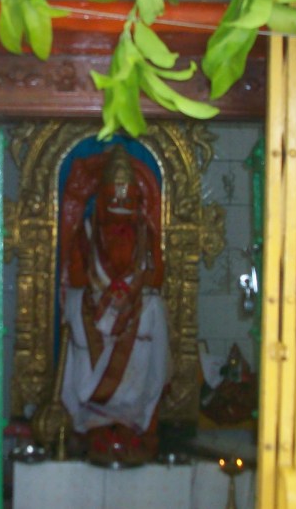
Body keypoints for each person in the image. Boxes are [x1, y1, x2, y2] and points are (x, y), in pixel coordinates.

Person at [59, 144, 170, 466]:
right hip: (94, 303)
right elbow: (76, 276)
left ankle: (138, 419)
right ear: (101, 199)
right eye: (113, 199)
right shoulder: (87, 232)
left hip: (136, 305)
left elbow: (155, 277)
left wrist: (129, 293)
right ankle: (87, 419)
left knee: (153, 311)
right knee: (78, 311)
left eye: (126, 200)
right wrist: (106, 294)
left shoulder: (145, 235)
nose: (119, 206)